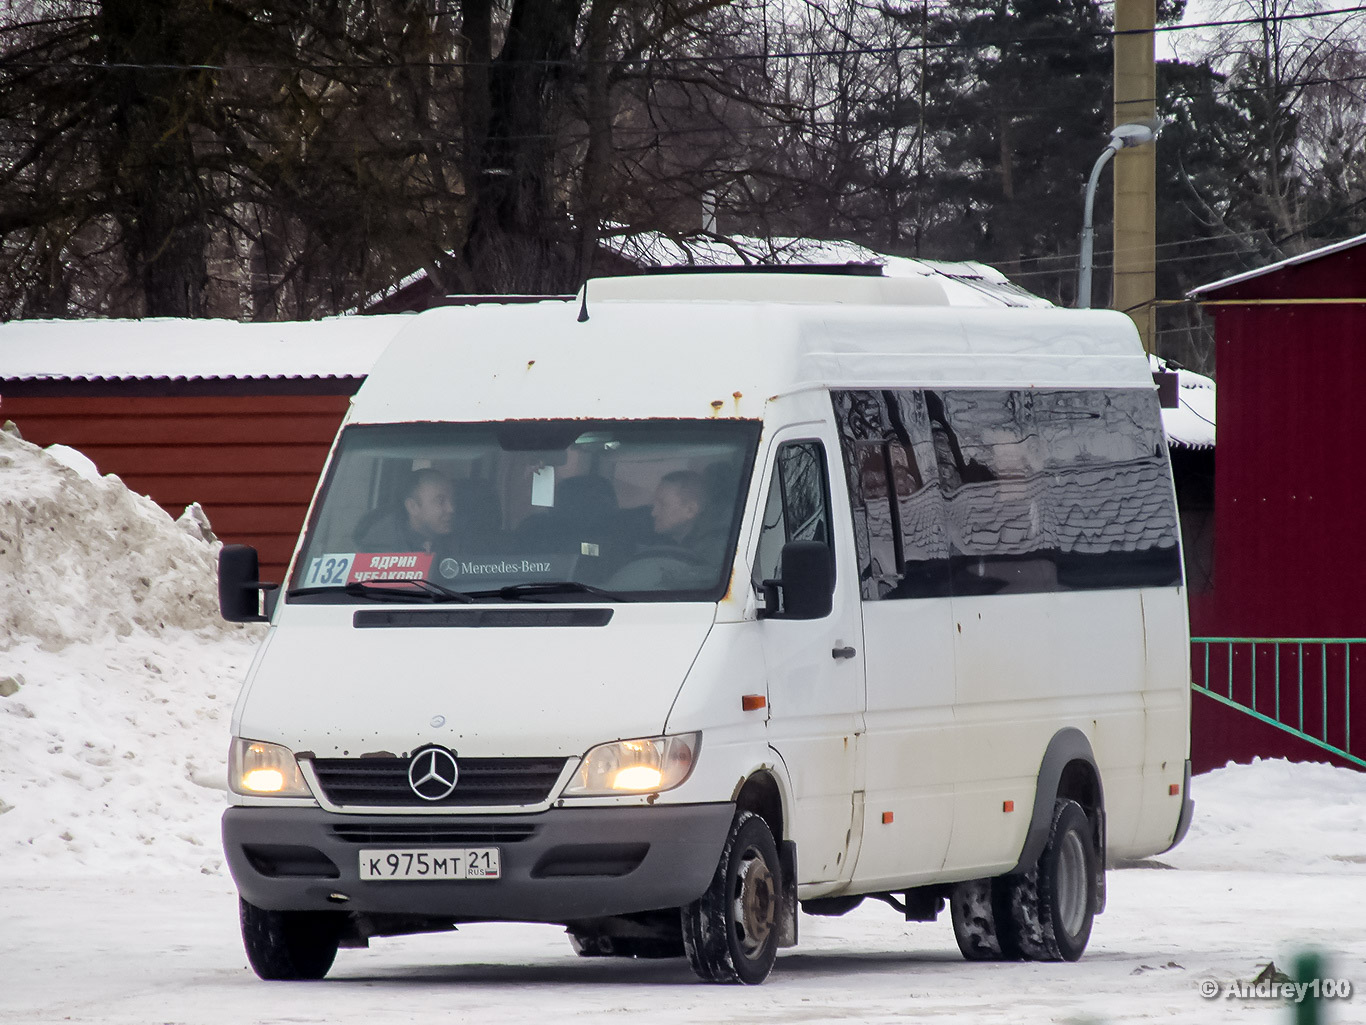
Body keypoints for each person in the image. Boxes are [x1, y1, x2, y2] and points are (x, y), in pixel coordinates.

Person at [356, 469, 455, 554]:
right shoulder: (380, 548)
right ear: (412, 507)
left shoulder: (465, 537)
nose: (451, 509)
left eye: (452, 500)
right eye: (440, 501)